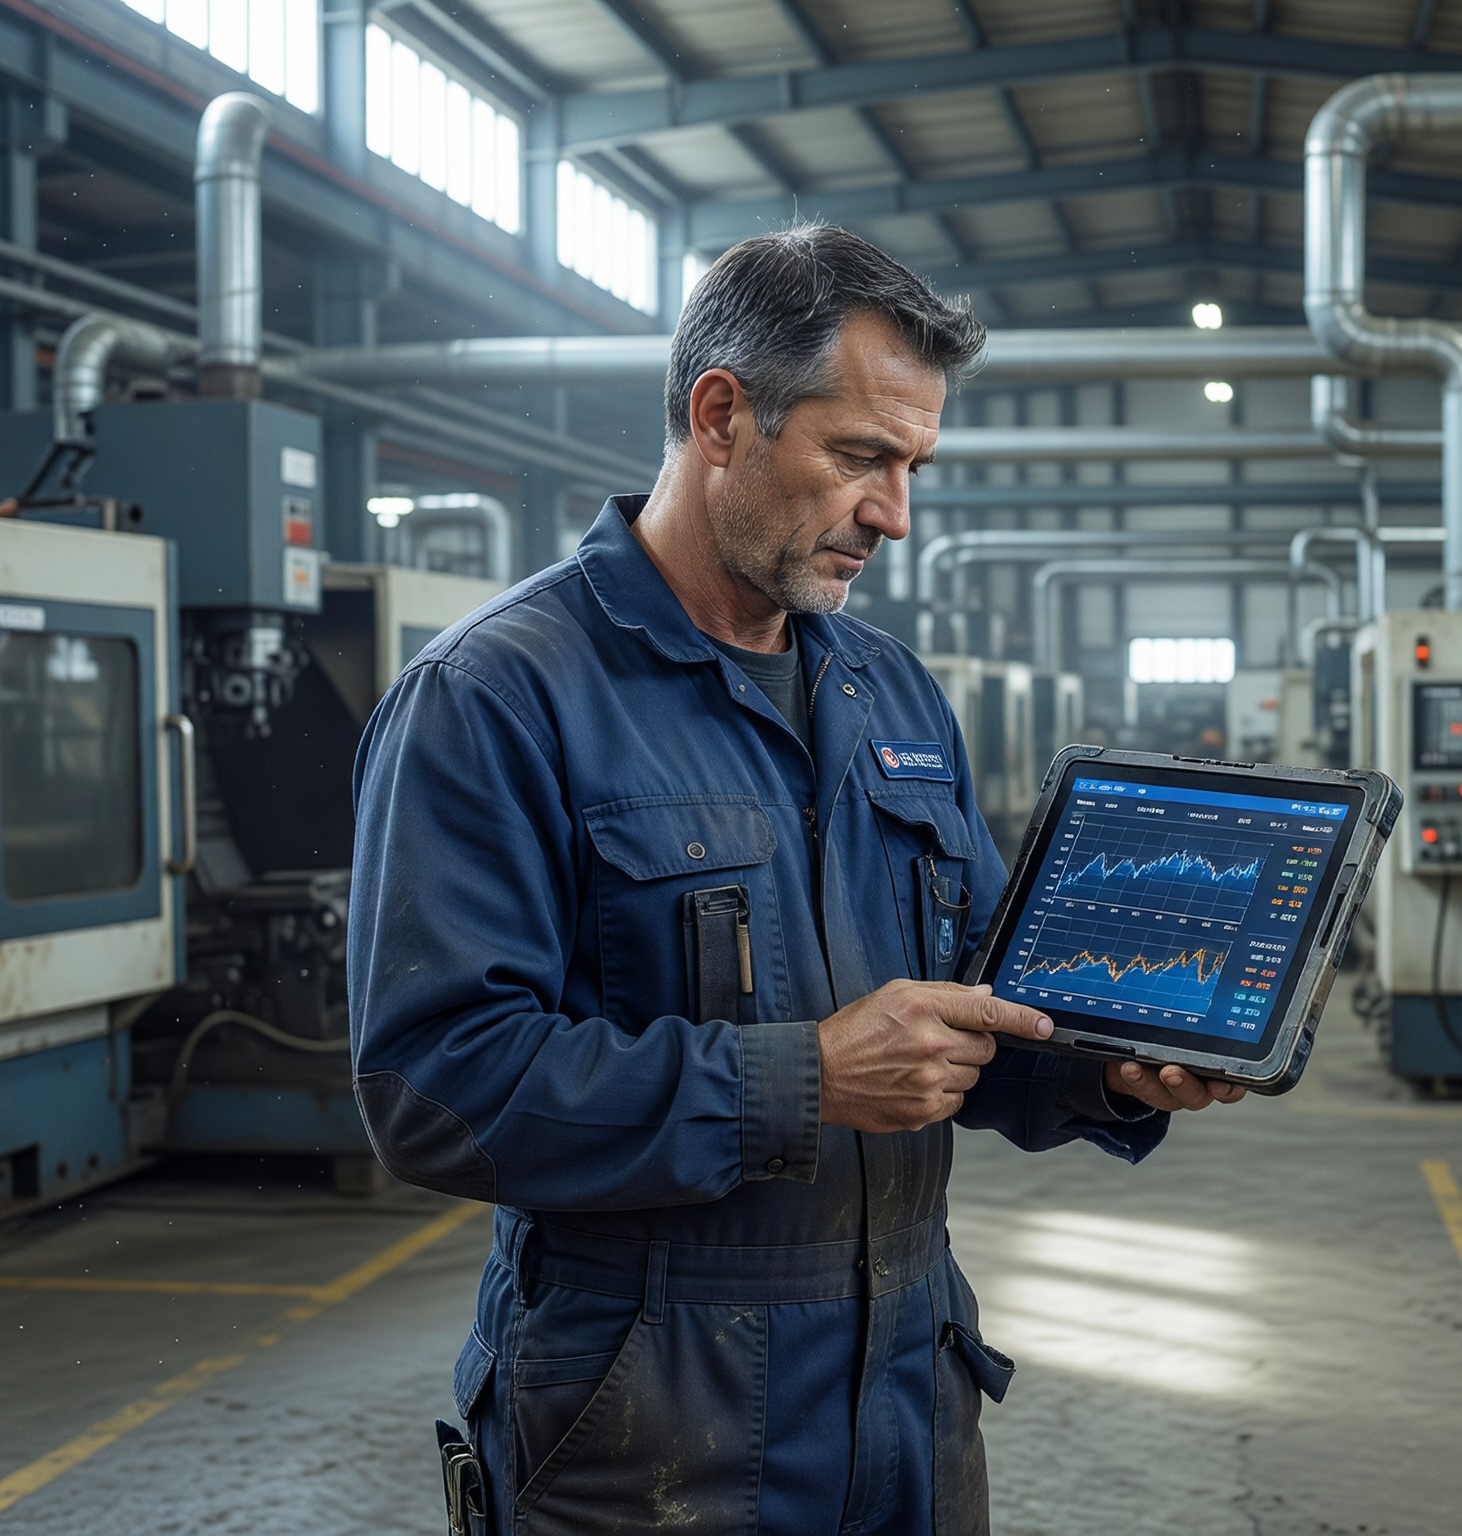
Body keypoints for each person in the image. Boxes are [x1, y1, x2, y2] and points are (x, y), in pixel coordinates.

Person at [347, 224, 1244, 1536]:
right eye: (860, 457)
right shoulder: (497, 695)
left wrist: (1109, 1065)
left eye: (913, 467)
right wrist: (805, 1080)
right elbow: (436, 1089)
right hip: (647, 1424)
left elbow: (974, 1003)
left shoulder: (890, 692)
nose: (894, 514)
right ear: (723, 417)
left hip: (910, 1396)